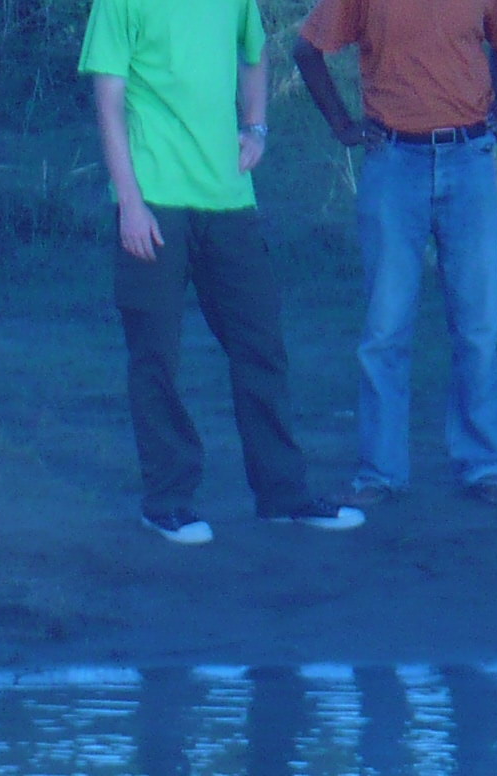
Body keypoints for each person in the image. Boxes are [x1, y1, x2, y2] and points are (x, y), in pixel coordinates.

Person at [82, 0, 365, 544]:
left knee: (260, 346)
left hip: (228, 199)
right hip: (156, 197)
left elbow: (254, 55)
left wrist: (255, 126)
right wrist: (131, 203)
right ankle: (168, 500)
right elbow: (109, 101)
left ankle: (283, 492)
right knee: (157, 355)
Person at [292, 0, 497, 506]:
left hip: (468, 160)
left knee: (478, 326)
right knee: (385, 328)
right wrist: (343, 126)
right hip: (394, 161)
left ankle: (484, 465)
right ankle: (380, 471)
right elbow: (307, 48)